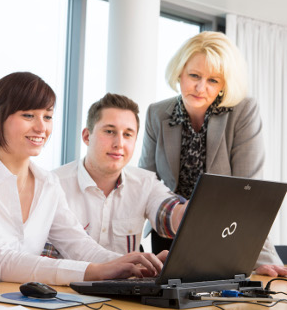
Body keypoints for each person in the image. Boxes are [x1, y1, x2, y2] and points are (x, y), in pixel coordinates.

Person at [0, 72, 165, 286]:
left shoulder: (47, 183)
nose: (41, 127)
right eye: (28, 115)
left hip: (18, 305)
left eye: (47, 117)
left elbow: (79, 246)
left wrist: (132, 264)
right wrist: (92, 271)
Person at [138, 31, 287, 279]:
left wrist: (259, 258)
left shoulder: (243, 112)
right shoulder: (157, 113)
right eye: (194, 75)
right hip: (169, 235)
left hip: (224, 234)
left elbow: (250, 192)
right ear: (179, 72)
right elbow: (143, 184)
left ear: (225, 84)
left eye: (213, 80)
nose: (200, 87)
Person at [52, 93, 187, 256]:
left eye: (128, 134)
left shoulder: (145, 183)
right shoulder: (52, 185)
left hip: (127, 281)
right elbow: (45, 259)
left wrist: (186, 214)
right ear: (87, 136)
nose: (119, 144)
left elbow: (169, 213)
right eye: (109, 131)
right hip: (64, 282)